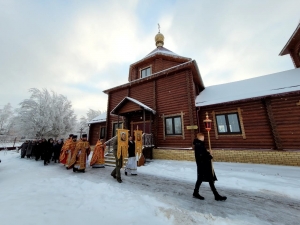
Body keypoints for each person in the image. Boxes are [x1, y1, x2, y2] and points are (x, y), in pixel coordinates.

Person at [193, 133, 227, 201]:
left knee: (209, 179)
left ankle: (215, 195)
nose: (204, 139)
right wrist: (209, 156)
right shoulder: (198, 145)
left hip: (204, 165)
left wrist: (208, 153)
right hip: (203, 165)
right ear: (200, 138)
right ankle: (196, 193)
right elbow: (201, 156)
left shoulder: (200, 144)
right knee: (202, 179)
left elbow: (203, 153)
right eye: (202, 138)